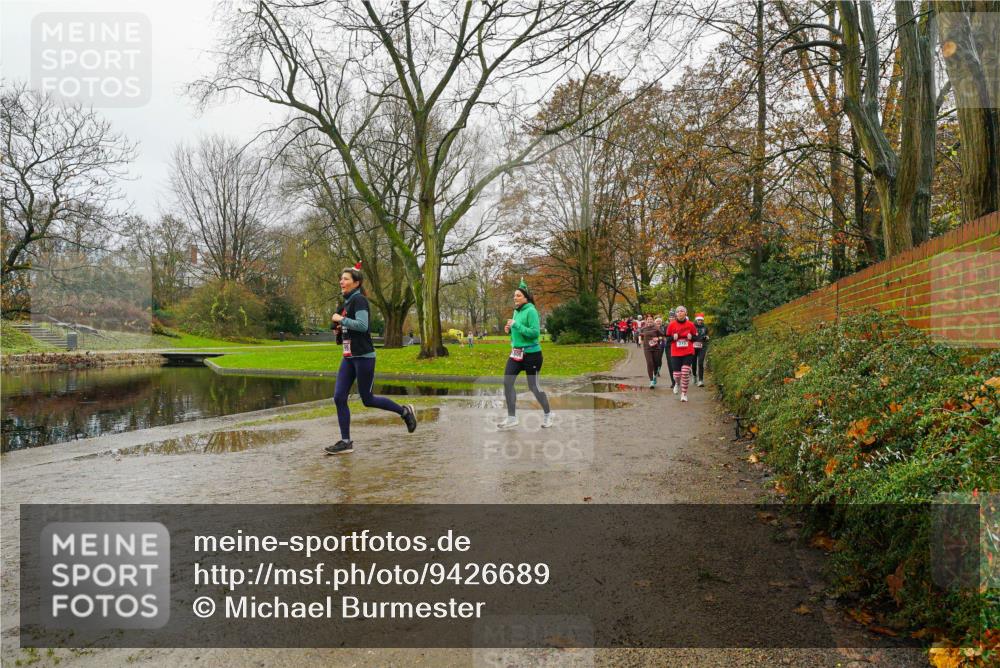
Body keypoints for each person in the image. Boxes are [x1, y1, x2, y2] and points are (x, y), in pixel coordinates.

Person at [325, 263, 417, 455]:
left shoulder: (359, 301)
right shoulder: (345, 302)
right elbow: (337, 324)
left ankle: (405, 411)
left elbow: (362, 325)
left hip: (364, 357)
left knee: (367, 399)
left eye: (346, 279)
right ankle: (345, 441)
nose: (341, 281)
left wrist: (341, 320)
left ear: (356, 283)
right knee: (339, 397)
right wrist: (337, 326)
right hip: (349, 356)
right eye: (341, 279)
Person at [497, 279, 553, 430]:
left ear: (526, 297)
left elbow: (534, 333)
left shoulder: (531, 311)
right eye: (514, 295)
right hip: (516, 354)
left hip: (532, 355)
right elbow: (518, 334)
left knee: (533, 386)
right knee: (507, 383)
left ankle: (548, 415)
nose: (515, 298)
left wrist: (517, 325)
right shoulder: (516, 311)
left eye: (518, 295)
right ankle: (512, 418)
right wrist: (510, 330)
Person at [666, 305, 698, 402]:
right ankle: (676, 383)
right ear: (676, 314)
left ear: (685, 313)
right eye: (678, 311)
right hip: (675, 352)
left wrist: (691, 337)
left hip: (688, 351)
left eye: (682, 311)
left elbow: (696, 338)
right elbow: (667, 339)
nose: (680, 313)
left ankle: (684, 394)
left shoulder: (691, 325)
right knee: (676, 375)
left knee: (685, 372)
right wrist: (673, 337)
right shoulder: (671, 325)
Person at [639, 315, 662, 388]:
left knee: (656, 363)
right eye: (648, 320)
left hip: (655, 348)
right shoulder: (643, 328)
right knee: (649, 363)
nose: (649, 321)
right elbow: (639, 334)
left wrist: (658, 339)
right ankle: (651, 381)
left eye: (651, 319)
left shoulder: (656, 328)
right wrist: (639, 339)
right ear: (646, 321)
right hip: (647, 348)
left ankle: (655, 374)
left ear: (653, 320)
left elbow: (663, 336)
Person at [693, 313, 710, 387]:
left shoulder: (705, 327)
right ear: (696, 320)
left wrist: (707, 337)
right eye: (698, 320)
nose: (700, 321)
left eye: (701, 320)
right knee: (693, 363)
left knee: (700, 362)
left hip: (702, 346)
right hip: (693, 346)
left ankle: (700, 380)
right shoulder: (692, 326)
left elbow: (707, 335)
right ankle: (694, 375)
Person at [665, 309, 677, 389]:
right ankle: (673, 382)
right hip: (669, 347)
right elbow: (665, 337)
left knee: (677, 364)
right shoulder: (666, 326)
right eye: (670, 317)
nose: (672, 318)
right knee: (670, 364)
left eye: (673, 317)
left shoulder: (679, 325)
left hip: (678, 347)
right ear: (668, 318)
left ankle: (678, 380)